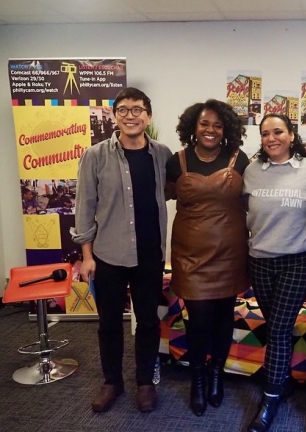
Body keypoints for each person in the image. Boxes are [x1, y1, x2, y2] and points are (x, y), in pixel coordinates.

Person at [72, 87, 172, 413]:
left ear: (149, 116)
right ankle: (111, 381)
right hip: (108, 255)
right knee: (109, 322)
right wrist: (87, 257)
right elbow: (84, 209)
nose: (131, 115)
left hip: (149, 256)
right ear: (115, 116)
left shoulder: (162, 155)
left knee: (147, 321)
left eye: (138, 109)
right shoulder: (95, 155)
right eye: (124, 110)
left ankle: (145, 382)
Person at [165, 99, 250, 417]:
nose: (211, 130)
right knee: (198, 320)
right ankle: (198, 378)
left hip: (230, 254)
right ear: (193, 128)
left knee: (224, 317)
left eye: (217, 125)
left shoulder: (239, 160)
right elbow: (157, 195)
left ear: (225, 129)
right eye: (204, 124)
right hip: (190, 256)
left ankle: (217, 374)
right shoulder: (177, 162)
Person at [242, 113, 306, 432]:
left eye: (278, 132)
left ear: (291, 135)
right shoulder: (251, 171)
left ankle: (270, 398)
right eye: (265, 133)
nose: (271, 138)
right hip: (259, 260)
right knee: (275, 324)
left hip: (297, 261)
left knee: (277, 328)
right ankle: (284, 380)